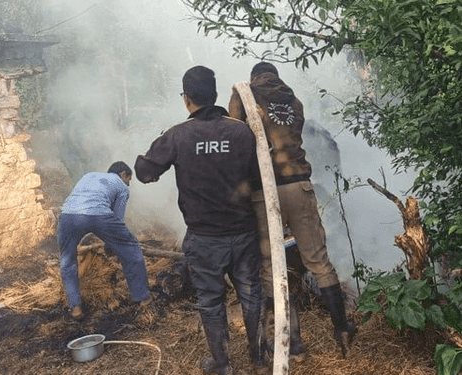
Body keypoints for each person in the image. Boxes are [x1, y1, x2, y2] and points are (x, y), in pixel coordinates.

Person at [135, 66, 266, 375]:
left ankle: (222, 365)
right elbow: (260, 180)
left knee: (210, 301)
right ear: (215, 95)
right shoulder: (242, 131)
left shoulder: (178, 135)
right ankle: (259, 359)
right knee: (251, 294)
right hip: (244, 233)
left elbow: (144, 173)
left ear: (187, 99)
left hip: (205, 239)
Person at [228, 62, 357, 359]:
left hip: (265, 191)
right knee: (319, 260)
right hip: (300, 185)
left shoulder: (245, 94)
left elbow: (236, 134)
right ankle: (342, 330)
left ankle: (289, 341)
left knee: (271, 266)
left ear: (253, 78)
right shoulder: (293, 100)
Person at [58, 161, 150, 320]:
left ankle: (75, 307)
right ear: (123, 174)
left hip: (67, 216)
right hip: (98, 215)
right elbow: (117, 219)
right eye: (129, 180)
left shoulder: (88, 176)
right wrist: (112, 246)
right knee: (131, 250)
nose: (128, 185)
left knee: (67, 260)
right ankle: (143, 298)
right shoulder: (121, 186)